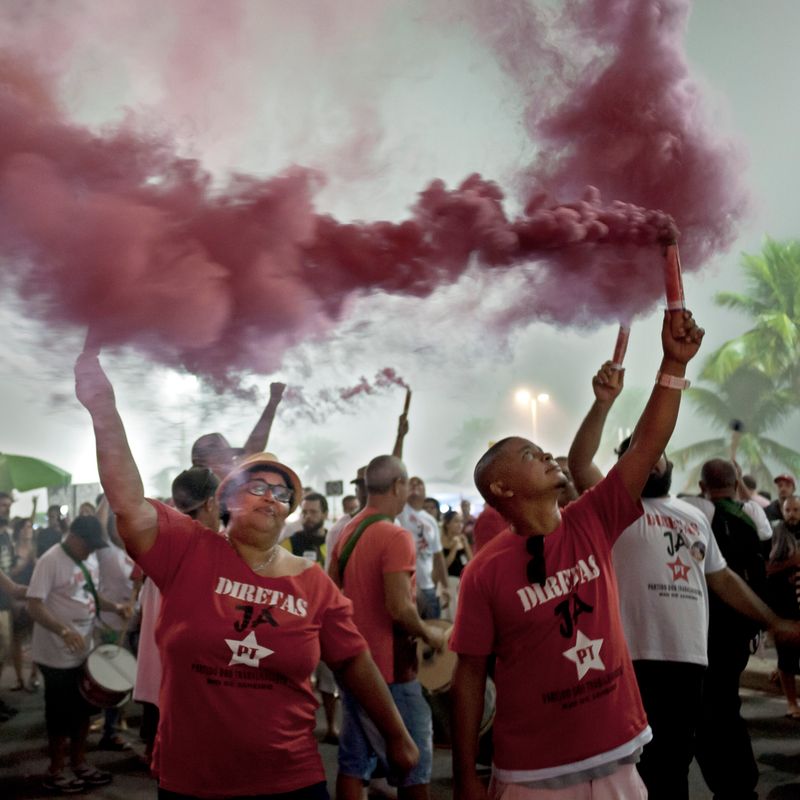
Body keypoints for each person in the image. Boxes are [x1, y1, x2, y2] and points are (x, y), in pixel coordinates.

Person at [75, 348, 418, 800]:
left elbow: (353, 660)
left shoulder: (311, 582)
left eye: (282, 492)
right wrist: (103, 407)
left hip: (292, 780)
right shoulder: (188, 550)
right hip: (193, 782)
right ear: (229, 499)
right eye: (257, 486)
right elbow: (128, 502)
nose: (270, 497)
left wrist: (397, 734)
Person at [450, 309, 704, 799]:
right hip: (531, 777)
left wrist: (673, 364)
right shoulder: (484, 573)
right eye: (529, 454)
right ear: (501, 488)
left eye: (540, 449)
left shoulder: (592, 519)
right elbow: (468, 676)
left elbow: (648, 443)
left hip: (620, 760)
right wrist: (465, 776)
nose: (546, 454)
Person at [568, 363, 795, 800]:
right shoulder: (613, 508)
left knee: (675, 764)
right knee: (640, 769)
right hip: (633, 657)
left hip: (690, 659)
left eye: (659, 452)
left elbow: (723, 579)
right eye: (640, 452)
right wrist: (602, 403)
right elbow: (580, 464)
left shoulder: (694, 513)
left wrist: (771, 620)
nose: (653, 457)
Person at [329, 454, 446, 800]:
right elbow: (399, 607)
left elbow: (332, 593)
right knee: (415, 765)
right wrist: (431, 634)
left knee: (353, 762)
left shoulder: (346, 530)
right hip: (392, 671)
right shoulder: (395, 536)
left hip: (353, 666)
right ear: (398, 486)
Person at [27, 515, 129, 793]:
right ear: (73, 537)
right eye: (88, 545)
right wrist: (62, 629)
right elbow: (33, 604)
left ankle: (79, 762)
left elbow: (89, 596)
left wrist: (115, 607)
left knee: (83, 712)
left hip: (84, 649)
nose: (93, 550)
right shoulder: (51, 560)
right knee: (59, 715)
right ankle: (55, 770)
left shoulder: (90, 557)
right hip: (55, 654)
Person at [134, 467, 220, 767]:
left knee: (166, 756)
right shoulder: (209, 548)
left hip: (161, 669)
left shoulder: (163, 542)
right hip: (193, 679)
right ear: (211, 502)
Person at [288, 492, 340, 744]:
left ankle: (332, 726)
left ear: (324, 514)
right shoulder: (290, 543)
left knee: (329, 679)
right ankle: (299, 726)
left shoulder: (333, 542)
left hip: (326, 619)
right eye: (305, 512)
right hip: (296, 620)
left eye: (313, 512)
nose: (308, 517)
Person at [190, 381, 286, 480]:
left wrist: (273, 402)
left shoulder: (230, 481)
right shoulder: (190, 485)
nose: (230, 461)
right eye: (220, 456)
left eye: (229, 457)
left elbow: (253, 448)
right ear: (199, 462)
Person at [767, 496, 800, 717]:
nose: (792, 514)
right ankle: (792, 704)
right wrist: (793, 562)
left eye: (796, 510)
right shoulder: (774, 534)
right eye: (788, 510)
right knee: (786, 658)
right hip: (784, 604)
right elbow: (767, 568)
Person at [10, 517, 38, 692]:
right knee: (16, 640)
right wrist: (25, 563)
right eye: (25, 526)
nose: (28, 529)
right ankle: (19, 677)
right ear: (19, 530)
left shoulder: (34, 548)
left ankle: (34, 675)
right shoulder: (12, 549)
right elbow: (9, 573)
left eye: (30, 526)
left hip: (32, 597)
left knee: (36, 638)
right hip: (15, 598)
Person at [440, 510, 473, 622]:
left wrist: (466, 544)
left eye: (461, 522)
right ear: (447, 524)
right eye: (456, 522)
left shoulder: (462, 539)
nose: (459, 525)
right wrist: (454, 547)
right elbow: (444, 565)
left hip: (462, 581)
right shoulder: (441, 541)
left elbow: (472, 561)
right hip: (449, 582)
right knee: (451, 616)